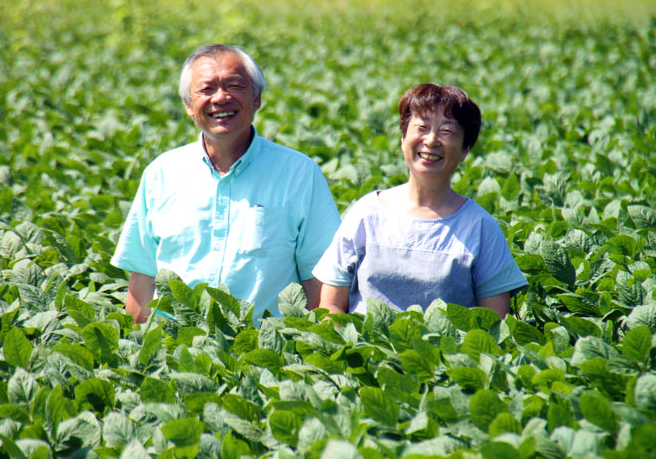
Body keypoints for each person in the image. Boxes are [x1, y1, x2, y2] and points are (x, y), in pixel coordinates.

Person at [111, 44, 341, 323]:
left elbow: (322, 286)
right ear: (188, 105)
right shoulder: (161, 174)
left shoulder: (299, 174)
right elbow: (142, 284)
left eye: (234, 85)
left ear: (257, 98)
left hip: (265, 351)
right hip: (174, 353)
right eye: (206, 90)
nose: (221, 98)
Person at [313, 83, 526, 318]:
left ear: (465, 149)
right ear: (403, 139)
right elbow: (330, 307)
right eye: (422, 127)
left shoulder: (481, 227)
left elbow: (494, 323)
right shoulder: (365, 213)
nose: (432, 140)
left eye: (447, 131)